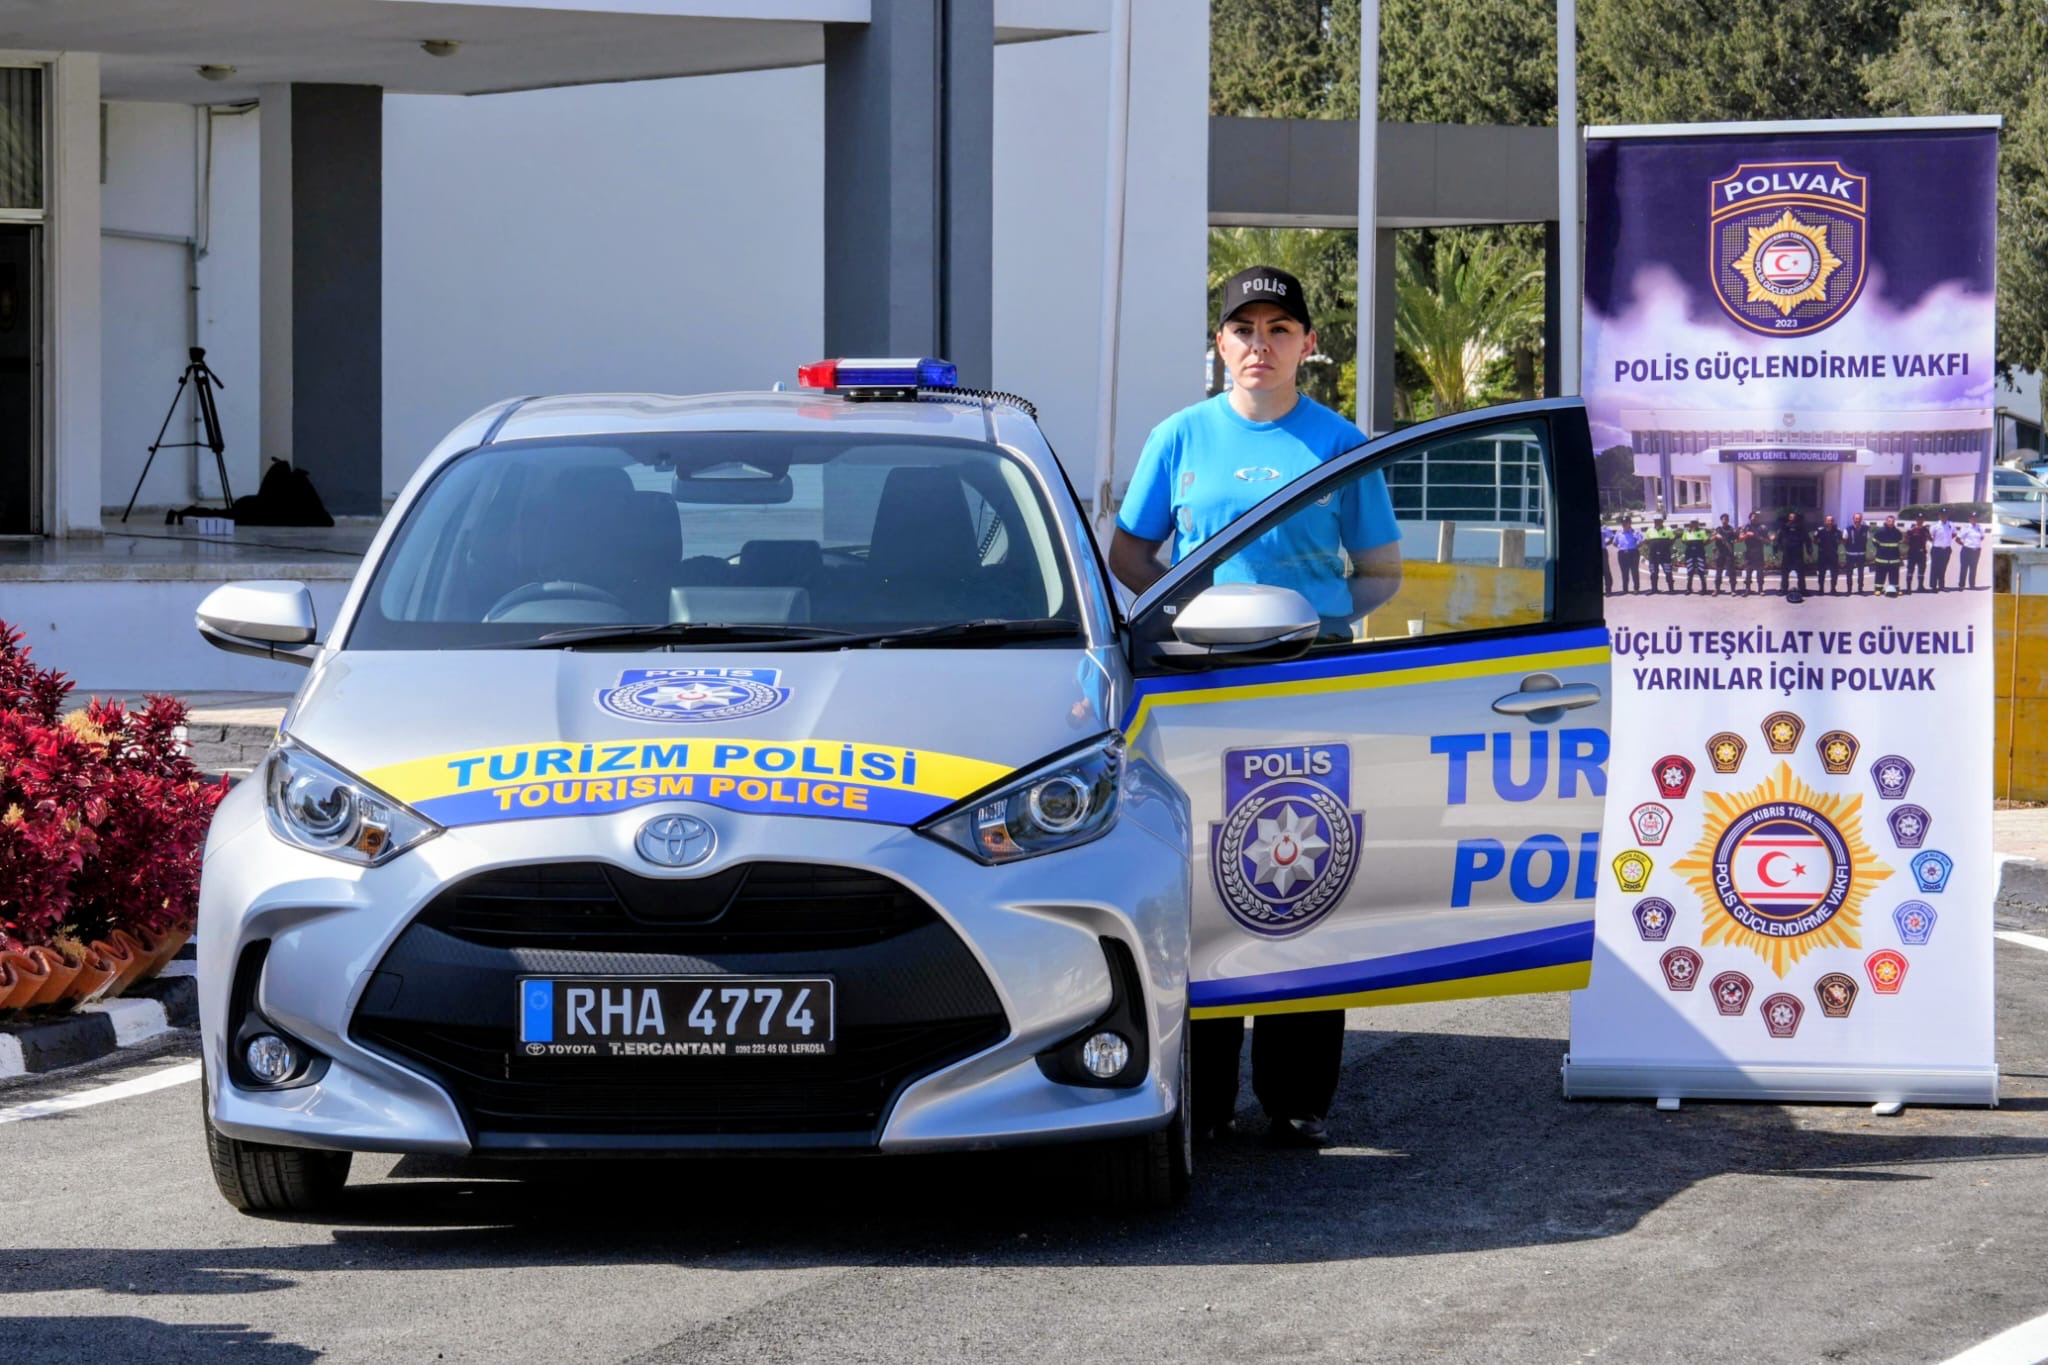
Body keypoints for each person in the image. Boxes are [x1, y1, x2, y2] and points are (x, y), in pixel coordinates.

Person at [1109, 264, 1402, 1149]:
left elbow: (1380, 573)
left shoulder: (1340, 443)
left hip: (1309, 689)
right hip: (1201, 690)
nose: (1259, 345)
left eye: (1279, 329)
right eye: (1243, 329)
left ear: (1307, 344)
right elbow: (1130, 552)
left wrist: (1311, 624)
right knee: (1202, 886)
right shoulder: (1180, 437)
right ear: (1220, 342)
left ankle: (1297, 1096)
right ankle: (1200, 1096)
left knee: (1301, 878)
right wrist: (1191, 615)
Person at [1776, 510, 1811, 598]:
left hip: (1798, 553)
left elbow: (1807, 539)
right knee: (1784, 574)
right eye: (1790, 517)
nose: (1792, 518)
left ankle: (1802, 590)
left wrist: (1809, 550)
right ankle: (1784, 590)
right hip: (1787, 554)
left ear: (1796, 518)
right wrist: (1777, 549)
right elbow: (1778, 539)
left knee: (1801, 574)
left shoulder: (1801, 527)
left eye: (1793, 517)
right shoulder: (1784, 527)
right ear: (1788, 518)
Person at [1870, 514, 1904, 596]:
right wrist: (1880, 548)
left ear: (1894, 522)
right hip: (1882, 558)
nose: (1891, 523)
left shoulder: (1897, 532)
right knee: (1880, 575)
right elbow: (1874, 541)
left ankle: (1895, 589)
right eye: (1889, 521)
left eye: (1892, 521)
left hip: (1894, 559)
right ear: (1886, 521)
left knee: (1894, 575)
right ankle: (1878, 589)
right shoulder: (1881, 532)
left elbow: (1900, 542)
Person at [1644, 517, 1676, 593]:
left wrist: (1666, 546)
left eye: (1659, 521)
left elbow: (1672, 539)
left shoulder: (1668, 530)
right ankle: (1654, 589)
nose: (1657, 522)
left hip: (1665, 555)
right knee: (1653, 572)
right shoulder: (1649, 530)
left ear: (1662, 521)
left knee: (1668, 572)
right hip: (1653, 555)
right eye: (1656, 521)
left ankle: (1671, 589)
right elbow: (1646, 541)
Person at [1813, 515, 1843, 595]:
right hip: (1822, 555)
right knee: (1821, 573)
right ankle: (1821, 589)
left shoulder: (1837, 531)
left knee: (1834, 574)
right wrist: (1820, 545)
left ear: (1833, 522)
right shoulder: (1820, 530)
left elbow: (1841, 541)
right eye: (1828, 521)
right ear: (1825, 521)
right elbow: (1814, 540)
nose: (1829, 522)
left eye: (1831, 521)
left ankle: (1833, 589)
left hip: (1833, 555)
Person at [1710, 513, 1739, 596]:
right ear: (1721, 520)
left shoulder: (1731, 529)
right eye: (1723, 519)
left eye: (1726, 519)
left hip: (1729, 553)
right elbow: (1711, 539)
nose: (1725, 521)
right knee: (1718, 572)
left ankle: (1733, 590)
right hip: (1720, 553)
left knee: (1731, 573)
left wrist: (1734, 539)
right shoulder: (1718, 529)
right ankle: (1717, 589)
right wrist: (1716, 536)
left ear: (1728, 520)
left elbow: (1738, 539)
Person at [1614, 516, 1644, 593]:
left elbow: (1641, 541)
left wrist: (1636, 546)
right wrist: (1620, 547)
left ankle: (1636, 588)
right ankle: (1625, 589)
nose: (1624, 524)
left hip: (1633, 553)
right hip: (1622, 554)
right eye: (1623, 523)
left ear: (1630, 523)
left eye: (1626, 523)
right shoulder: (1619, 533)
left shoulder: (1635, 532)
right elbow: (1614, 543)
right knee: (1624, 572)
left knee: (1634, 572)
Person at [1680, 519, 1710, 594]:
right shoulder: (1686, 532)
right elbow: (1683, 540)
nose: (1694, 524)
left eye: (1695, 523)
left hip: (1700, 553)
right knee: (1690, 571)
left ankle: (1704, 589)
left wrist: (1700, 545)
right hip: (1689, 553)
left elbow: (1707, 540)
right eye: (1692, 522)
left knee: (1701, 571)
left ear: (1698, 523)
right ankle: (1689, 589)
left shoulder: (1702, 531)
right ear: (1690, 523)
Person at [1739, 516, 1767, 594]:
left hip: (1759, 552)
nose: (1754, 519)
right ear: (1749, 518)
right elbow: (1740, 538)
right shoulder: (1745, 527)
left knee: (1760, 573)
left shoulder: (1762, 527)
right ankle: (1747, 589)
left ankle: (1760, 589)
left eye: (1755, 518)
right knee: (1748, 572)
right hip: (1749, 552)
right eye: (1752, 518)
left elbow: (1767, 541)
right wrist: (1747, 535)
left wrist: (1757, 537)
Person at [1957, 513, 1986, 588]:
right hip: (1966, 550)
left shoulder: (1980, 527)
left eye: (1975, 518)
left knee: (1973, 568)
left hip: (1976, 551)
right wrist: (1964, 544)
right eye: (1972, 518)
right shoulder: (1966, 528)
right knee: (1964, 568)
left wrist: (1975, 543)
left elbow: (1982, 537)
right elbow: (1957, 539)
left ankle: (1972, 585)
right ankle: (1961, 585)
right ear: (1969, 519)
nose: (1974, 519)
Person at [1928, 512, 1956, 591]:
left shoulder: (1951, 525)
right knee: (1934, 568)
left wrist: (1947, 540)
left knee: (1943, 568)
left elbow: (1954, 534)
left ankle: (1941, 586)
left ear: (1948, 515)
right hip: (1936, 549)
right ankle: (1933, 586)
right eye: (1942, 515)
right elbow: (1930, 536)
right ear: (1939, 516)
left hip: (1946, 549)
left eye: (1945, 515)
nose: (1944, 516)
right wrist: (1936, 541)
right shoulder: (1935, 525)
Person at [1844, 512, 1870, 594]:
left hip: (1861, 555)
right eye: (1856, 518)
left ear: (1861, 519)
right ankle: (1849, 589)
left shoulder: (1866, 529)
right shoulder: (1848, 529)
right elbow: (1844, 540)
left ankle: (1860, 589)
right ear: (1853, 519)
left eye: (1859, 518)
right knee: (1849, 573)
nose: (1857, 520)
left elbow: (1867, 539)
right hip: (1850, 555)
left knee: (1861, 573)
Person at [1904, 517, 1931, 594]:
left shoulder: (1925, 529)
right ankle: (1908, 588)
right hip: (1912, 553)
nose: (1920, 521)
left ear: (1923, 520)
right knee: (1910, 570)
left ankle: (1920, 587)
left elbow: (1930, 538)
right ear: (1916, 520)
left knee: (1921, 571)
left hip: (1922, 553)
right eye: (1918, 519)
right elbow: (1905, 540)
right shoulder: (1911, 529)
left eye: (1921, 519)